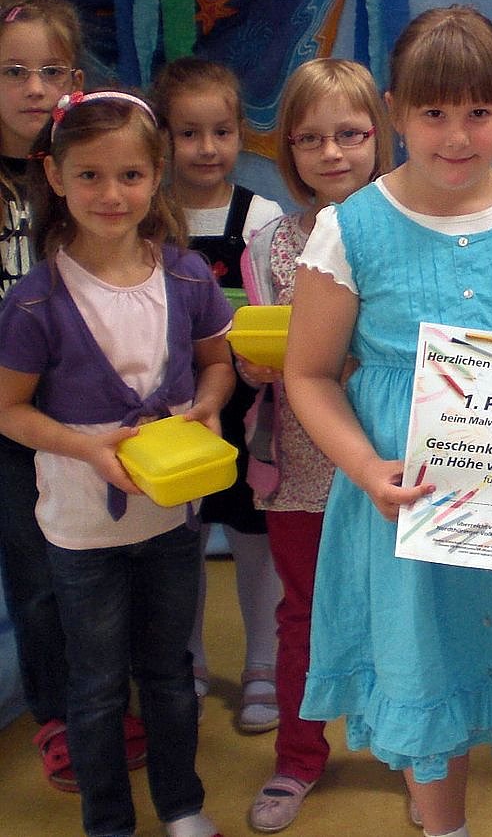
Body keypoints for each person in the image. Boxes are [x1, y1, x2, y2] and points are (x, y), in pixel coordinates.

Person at [285, 6, 492, 837]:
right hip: (405, 507)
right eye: (433, 112)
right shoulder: (348, 227)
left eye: (479, 111)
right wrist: (365, 467)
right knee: (421, 666)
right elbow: (310, 374)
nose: (456, 135)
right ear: (396, 112)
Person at [0, 90, 234, 837]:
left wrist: (208, 406)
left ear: (156, 175)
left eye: (130, 175)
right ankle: (108, 821)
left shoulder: (188, 277)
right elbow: (8, 410)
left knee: (168, 672)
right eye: (90, 175)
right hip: (80, 529)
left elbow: (218, 362)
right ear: (56, 176)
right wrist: (86, 447)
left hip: (171, 518)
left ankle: (182, 804)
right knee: (98, 683)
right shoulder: (34, 303)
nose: (112, 193)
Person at [237, 59, 394, 833]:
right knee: (302, 615)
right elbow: (260, 345)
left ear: (379, 136)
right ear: (287, 149)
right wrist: (254, 363)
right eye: (309, 138)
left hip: (393, 467)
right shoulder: (271, 244)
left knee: (399, 614)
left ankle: (410, 750)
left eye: (351, 134)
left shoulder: (409, 231)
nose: (331, 153)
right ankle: (299, 756)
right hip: (300, 468)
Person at [0, 0, 119, 795]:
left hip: (86, 407)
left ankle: (106, 701)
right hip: (11, 418)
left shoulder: (90, 170)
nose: (34, 89)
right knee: (36, 571)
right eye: (13, 71)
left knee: (100, 563)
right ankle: (58, 714)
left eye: (50, 71)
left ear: (75, 79)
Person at [152, 57, 283, 733]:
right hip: (173, 409)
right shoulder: (148, 215)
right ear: (163, 138)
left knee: (255, 536)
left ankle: (263, 663)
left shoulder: (261, 216)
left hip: (248, 407)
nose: (207, 148)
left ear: (240, 134)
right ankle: (192, 659)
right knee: (184, 537)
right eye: (189, 133)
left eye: (222, 132)